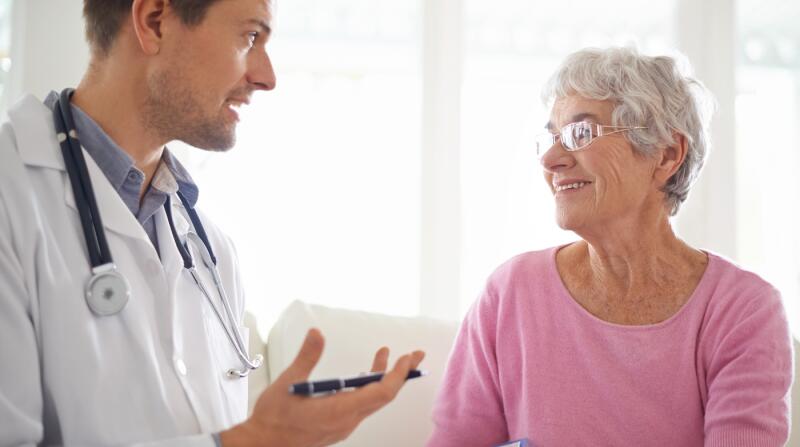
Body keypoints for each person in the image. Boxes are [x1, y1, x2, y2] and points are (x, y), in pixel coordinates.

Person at [0, 0, 424, 446]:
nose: (267, 77)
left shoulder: (211, 250)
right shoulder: (12, 197)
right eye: (250, 37)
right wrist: (252, 440)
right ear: (154, 21)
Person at [427, 47, 794, 446]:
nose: (551, 158)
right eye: (550, 137)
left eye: (581, 133)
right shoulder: (510, 293)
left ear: (667, 155)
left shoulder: (742, 310)